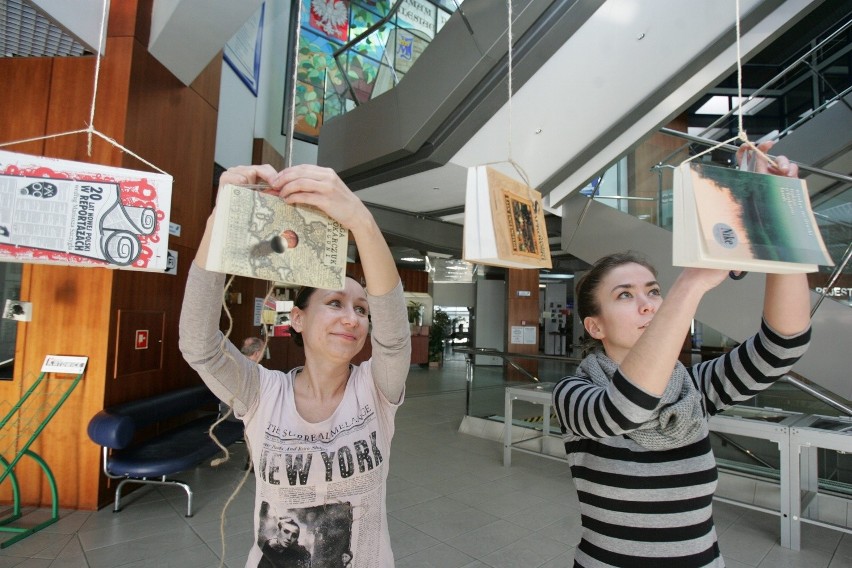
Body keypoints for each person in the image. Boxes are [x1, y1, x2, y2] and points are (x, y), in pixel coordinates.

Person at [552, 142, 812, 567]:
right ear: (594, 326)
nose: (649, 304)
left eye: (654, 291)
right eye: (625, 295)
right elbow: (625, 407)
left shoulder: (694, 388)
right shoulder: (575, 393)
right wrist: (688, 285)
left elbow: (782, 346)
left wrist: (779, 220)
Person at [180, 164, 410, 567]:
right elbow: (200, 345)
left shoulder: (375, 390)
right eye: (335, 303)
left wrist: (361, 219)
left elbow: (394, 339)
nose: (352, 318)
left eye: (361, 309)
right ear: (298, 319)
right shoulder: (262, 393)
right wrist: (223, 219)